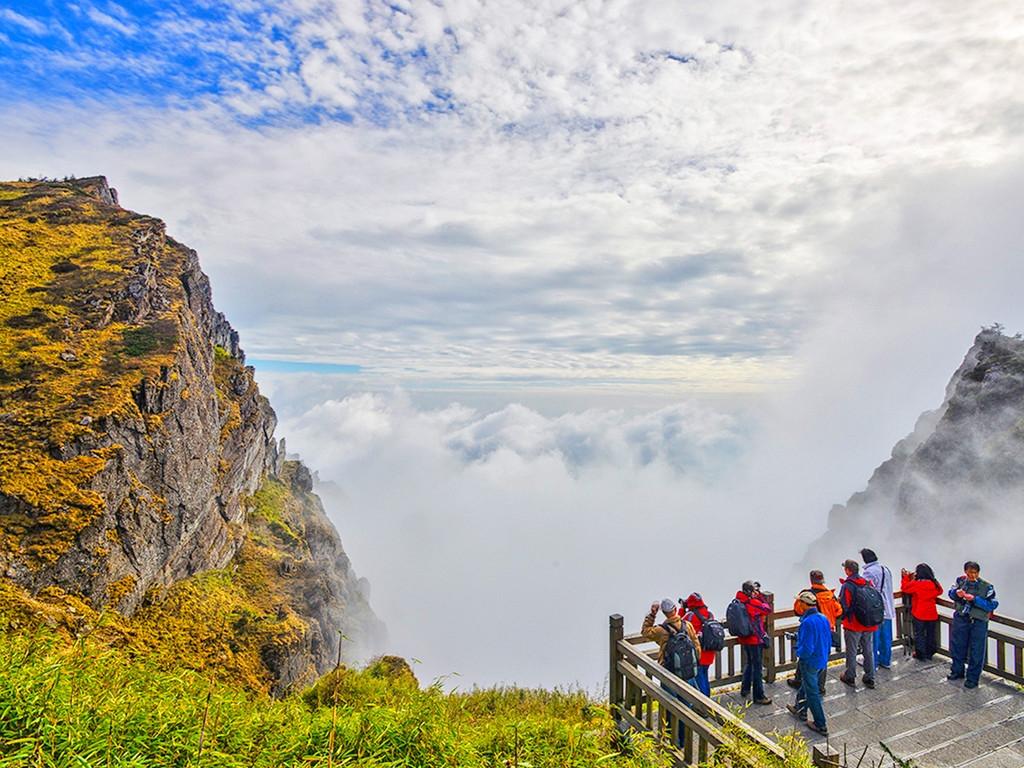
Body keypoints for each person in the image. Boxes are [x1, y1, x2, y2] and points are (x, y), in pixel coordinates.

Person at [788, 570, 843, 694]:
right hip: (827, 629)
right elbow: (839, 611)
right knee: (823, 657)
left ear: (811, 580)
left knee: (806, 656)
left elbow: (797, 610)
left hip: (812, 628)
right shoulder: (830, 594)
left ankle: (799, 681)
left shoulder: (808, 595)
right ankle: (820, 686)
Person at [947, 561, 998, 689]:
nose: (973, 575)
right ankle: (957, 671)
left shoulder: (987, 587)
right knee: (958, 646)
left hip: (978, 622)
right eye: (970, 572)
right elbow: (951, 593)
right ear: (965, 572)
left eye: (975, 573)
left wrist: (974, 599)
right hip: (961, 618)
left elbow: (992, 604)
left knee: (977, 650)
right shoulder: (960, 581)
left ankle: (972, 679)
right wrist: (956, 594)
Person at [786, 591, 831, 736]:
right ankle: (800, 709)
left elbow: (807, 648)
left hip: (810, 661)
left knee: (812, 692)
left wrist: (799, 653)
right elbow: (827, 639)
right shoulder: (823, 618)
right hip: (822, 658)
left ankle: (820, 724)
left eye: (800, 602)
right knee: (807, 684)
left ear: (804, 605)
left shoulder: (807, 622)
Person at [642, 598, 702, 693]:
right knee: (688, 698)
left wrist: (652, 614)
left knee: (671, 700)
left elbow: (645, 632)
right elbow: (696, 645)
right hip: (687, 668)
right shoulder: (687, 625)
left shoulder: (661, 630)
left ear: (664, 613)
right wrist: (694, 662)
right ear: (675, 609)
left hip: (669, 671)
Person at [838, 559, 878, 689]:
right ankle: (870, 677)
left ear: (848, 570)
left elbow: (844, 606)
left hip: (853, 624)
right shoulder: (866, 582)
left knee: (852, 650)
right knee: (868, 650)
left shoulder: (847, 586)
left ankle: (850, 676)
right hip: (868, 622)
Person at [734, 580, 773, 705]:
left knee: (749, 663)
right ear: (751, 591)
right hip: (755, 639)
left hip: (744, 638)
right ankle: (759, 696)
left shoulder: (738, 601)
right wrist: (760, 595)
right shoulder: (753, 603)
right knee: (757, 667)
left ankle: (745, 689)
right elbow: (767, 609)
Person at [900, 563, 943, 660]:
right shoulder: (933, 584)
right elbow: (940, 591)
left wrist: (906, 577)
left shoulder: (917, 584)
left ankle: (921, 654)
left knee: (919, 634)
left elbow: (905, 588)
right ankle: (930, 653)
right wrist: (934, 579)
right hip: (931, 613)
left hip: (919, 613)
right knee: (930, 634)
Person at [861, 548, 895, 669]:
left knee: (873, 639)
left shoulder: (868, 572)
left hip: (875, 609)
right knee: (886, 637)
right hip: (888, 608)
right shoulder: (885, 569)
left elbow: (865, 590)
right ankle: (886, 660)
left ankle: (873, 663)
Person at [682, 593, 718, 696]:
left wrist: (682, 609)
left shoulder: (690, 616)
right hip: (710, 651)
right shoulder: (709, 614)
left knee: (699, 679)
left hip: (698, 653)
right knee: (704, 676)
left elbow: (680, 625)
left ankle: (704, 704)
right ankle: (708, 702)